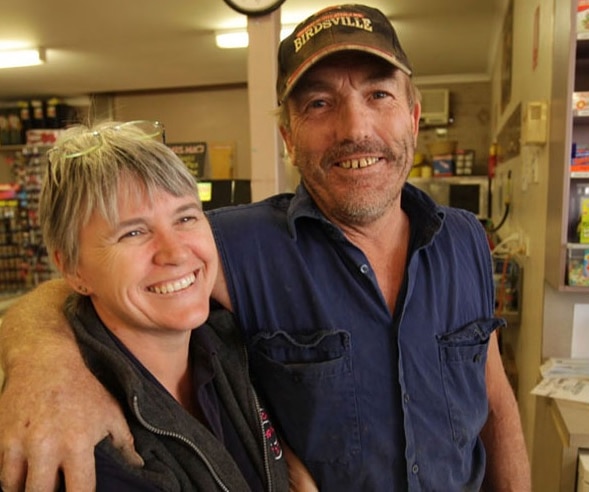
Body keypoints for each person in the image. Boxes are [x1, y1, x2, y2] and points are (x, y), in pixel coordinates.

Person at [0, 4, 531, 491]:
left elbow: (497, 403)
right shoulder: (234, 246)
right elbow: (100, 277)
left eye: (379, 95)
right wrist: (44, 365)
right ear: (288, 137)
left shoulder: (465, 238)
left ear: (413, 118)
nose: (355, 128)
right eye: (320, 103)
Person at [14, 120, 291, 490]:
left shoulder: (231, 340)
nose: (175, 252)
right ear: (72, 268)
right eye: (133, 232)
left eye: (186, 217)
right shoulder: (80, 435)